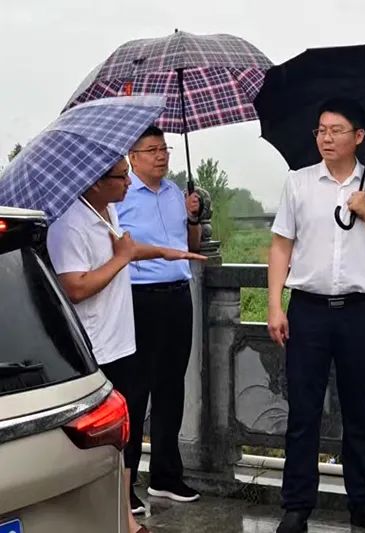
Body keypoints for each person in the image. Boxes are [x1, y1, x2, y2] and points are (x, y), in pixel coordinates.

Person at [46, 158, 205, 533]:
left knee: (122, 429)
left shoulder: (105, 211)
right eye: (121, 177)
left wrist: (164, 252)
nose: (128, 184)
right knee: (100, 434)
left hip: (120, 339)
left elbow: (126, 251)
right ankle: (114, 514)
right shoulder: (69, 223)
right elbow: (75, 286)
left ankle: (125, 515)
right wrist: (121, 258)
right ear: (95, 181)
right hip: (95, 346)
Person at [268, 98, 365, 533]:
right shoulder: (299, 183)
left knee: (358, 411)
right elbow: (281, 246)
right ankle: (296, 507)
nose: (326, 138)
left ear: (358, 136)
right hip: (307, 311)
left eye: (336, 130)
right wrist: (274, 305)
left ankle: (363, 503)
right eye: (321, 130)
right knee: (302, 412)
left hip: (358, 313)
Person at [117, 125, 203, 510]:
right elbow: (115, 249)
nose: (161, 156)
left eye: (164, 148)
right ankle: (126, 482)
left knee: (171, 386)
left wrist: (194, 217)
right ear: (133, 157)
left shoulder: (175, 194)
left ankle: (166, 475)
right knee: (134, 391)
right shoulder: (121, 195)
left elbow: (191, 246)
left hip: (178, 296)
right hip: (139, 298)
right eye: (151, 150)